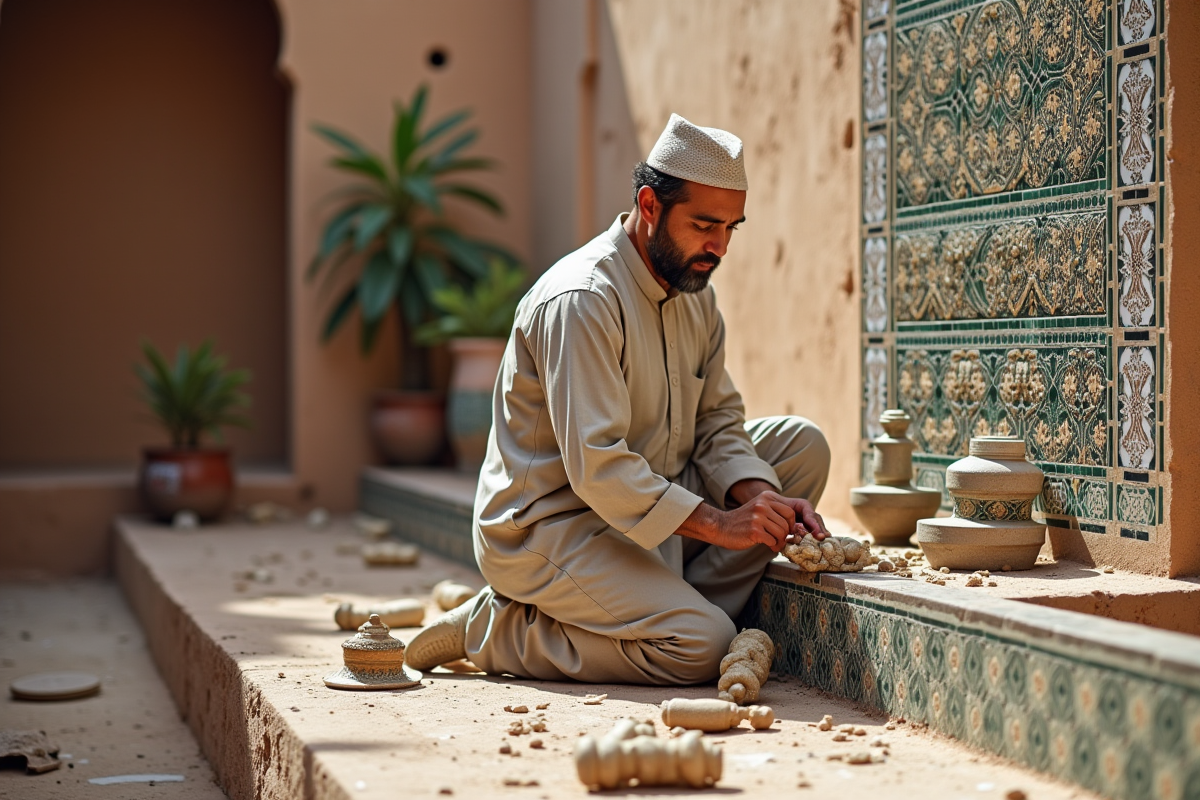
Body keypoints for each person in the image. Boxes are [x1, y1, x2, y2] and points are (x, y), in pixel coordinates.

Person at [405, 114, 831, 684]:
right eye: (705, 224)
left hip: (650, 509)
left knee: (800, 448)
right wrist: (724, 526)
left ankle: (667, 608)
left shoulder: (692, 290)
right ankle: (498, 629)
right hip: (554, 527)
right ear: (650, 206)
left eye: (732, 227)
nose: (720, 246)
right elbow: (600, 470)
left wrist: (759, 500)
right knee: (701, 649)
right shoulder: (582, 299)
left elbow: (718, 422)